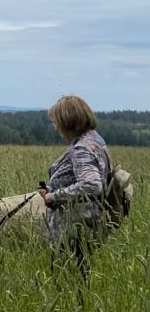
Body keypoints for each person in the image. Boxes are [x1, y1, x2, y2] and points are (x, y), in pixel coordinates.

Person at [37, 95, 112, 281]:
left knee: (67, 283)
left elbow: (92, 185)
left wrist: (55, 196)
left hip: (74, 229)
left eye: (56, 122)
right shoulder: (95, 141)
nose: (55, 127)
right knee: (79, 281)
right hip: (86, 224)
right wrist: (52, 189)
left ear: (68, 122)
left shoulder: (82, 149)